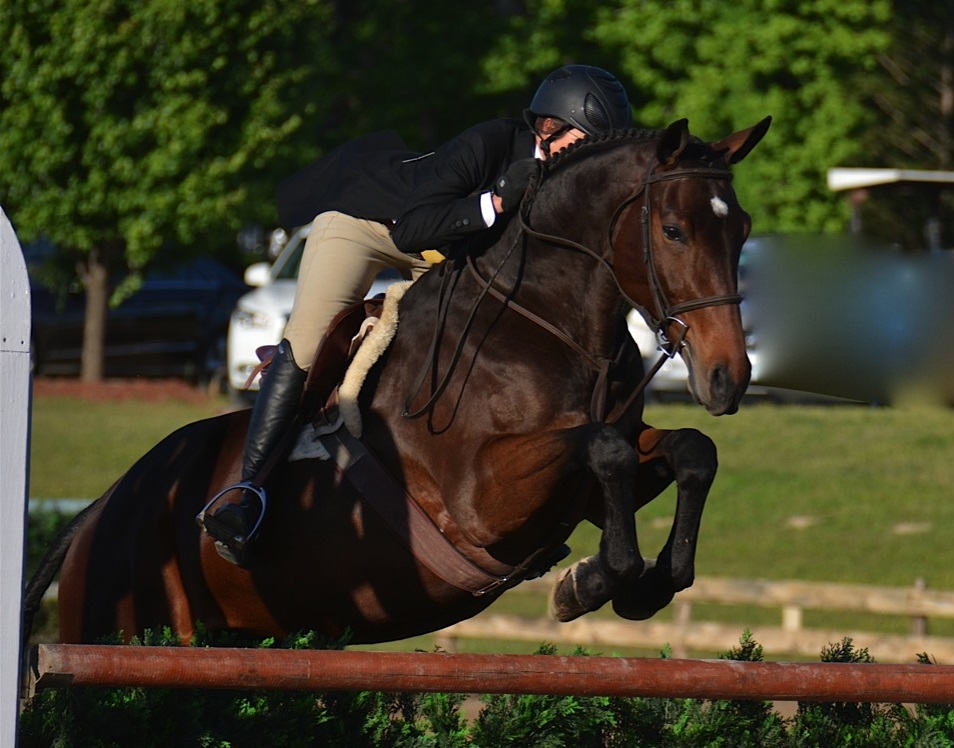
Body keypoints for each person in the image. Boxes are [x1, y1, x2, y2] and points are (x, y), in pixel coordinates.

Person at [198, 64, 633, 564]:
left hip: (444, 252)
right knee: (310, 342)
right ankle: (248, 494)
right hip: (372, 225)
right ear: (548, 126)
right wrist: (494, 201)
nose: (586, 159)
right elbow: (411, 233)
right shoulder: (489, 143)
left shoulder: (566, 181)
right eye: (582, 143)